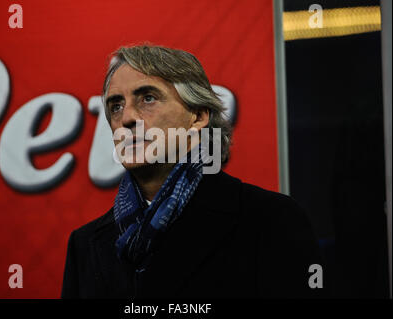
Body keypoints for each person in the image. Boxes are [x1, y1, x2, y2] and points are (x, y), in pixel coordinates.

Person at [61, 44, 325, 298]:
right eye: (116, 105)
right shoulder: (85, 245)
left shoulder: (270, 219)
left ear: (198, 116)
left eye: (148, 98)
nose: (127, 117)